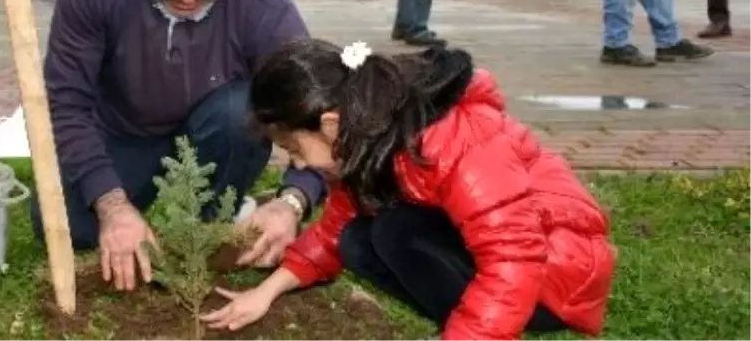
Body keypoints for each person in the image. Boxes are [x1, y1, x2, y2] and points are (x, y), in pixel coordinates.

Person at [200, 39, 617, 339]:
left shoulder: (453, 139)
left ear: (329, 123)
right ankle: (470, 325)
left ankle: (478, 330)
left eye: (294, 148)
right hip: (509, 264)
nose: (297, 164)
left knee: (393, 231)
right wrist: (265, 293)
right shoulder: (365, 138)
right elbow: (332, 232)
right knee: (356, 238)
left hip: (556, 274)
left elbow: (515, 260)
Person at [31, 0, 326, 291]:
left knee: (242, 111)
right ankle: (135, 211)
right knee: (63, 224)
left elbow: (317, 114)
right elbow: (67, 102)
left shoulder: (261, 2)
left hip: (215, 133)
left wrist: (293, 202)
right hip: (123, 135)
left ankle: (215, 222)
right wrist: (111, 204)